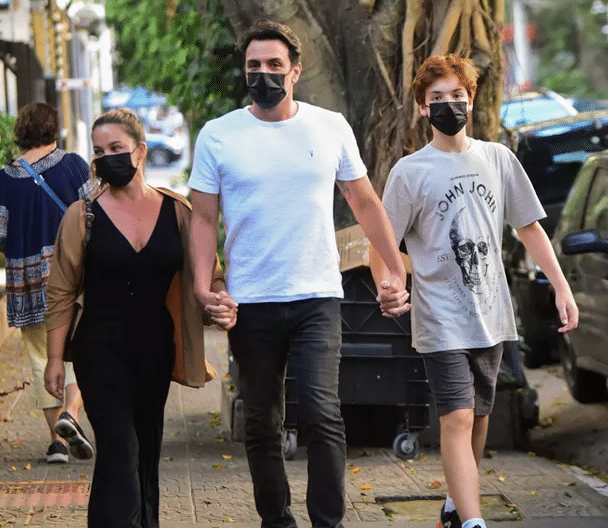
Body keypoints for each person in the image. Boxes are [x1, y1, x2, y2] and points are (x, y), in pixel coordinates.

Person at [188, 19, 408, 528]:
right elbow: (202, 218)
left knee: (321, 412)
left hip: (316, 295)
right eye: (254, 67)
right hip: (251, 300)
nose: (262, 75)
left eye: (273, 66)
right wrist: (205, 287)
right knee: (262, 421)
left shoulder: (329, 126)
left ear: (295, 71)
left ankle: (327, 522)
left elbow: (364, 201)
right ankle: (276, 520)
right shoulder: (219, 136)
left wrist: (393, 270)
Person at [371, 55, 579, 528]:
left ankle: (453, 505)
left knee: (479, 419)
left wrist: (561, 287)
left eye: (457, 97)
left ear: (472, 99)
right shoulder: (410, 172)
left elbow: (529, 229)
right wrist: (389, 283)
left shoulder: (498, 159)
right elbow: (382, 244)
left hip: (491, 312)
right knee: (458, 418)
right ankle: (472, 522)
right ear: (422, 108)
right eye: (437, 99)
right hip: (439, 314)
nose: (449, 106)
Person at [44, 108, 236, 528]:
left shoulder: (178, 211)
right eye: (99, 151)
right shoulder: (83, 216)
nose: (107, 158)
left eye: (117, 148)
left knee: (146, 451)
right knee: (120, 449)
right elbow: (60, 292)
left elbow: (208, 270)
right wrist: (55, 360)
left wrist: (218, 300)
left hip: (155, 351)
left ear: (141, 151)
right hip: (100, 352)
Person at [0, 102, 95, 464]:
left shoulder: (5, 179)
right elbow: (95, 213)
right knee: (80, 351)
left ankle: (59, 443)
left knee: (42, 358)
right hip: (74, 275)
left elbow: (1, 233)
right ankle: (71, 413)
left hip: (28, 281)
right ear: (54, 129)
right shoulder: (73, 166)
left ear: (19, 131)